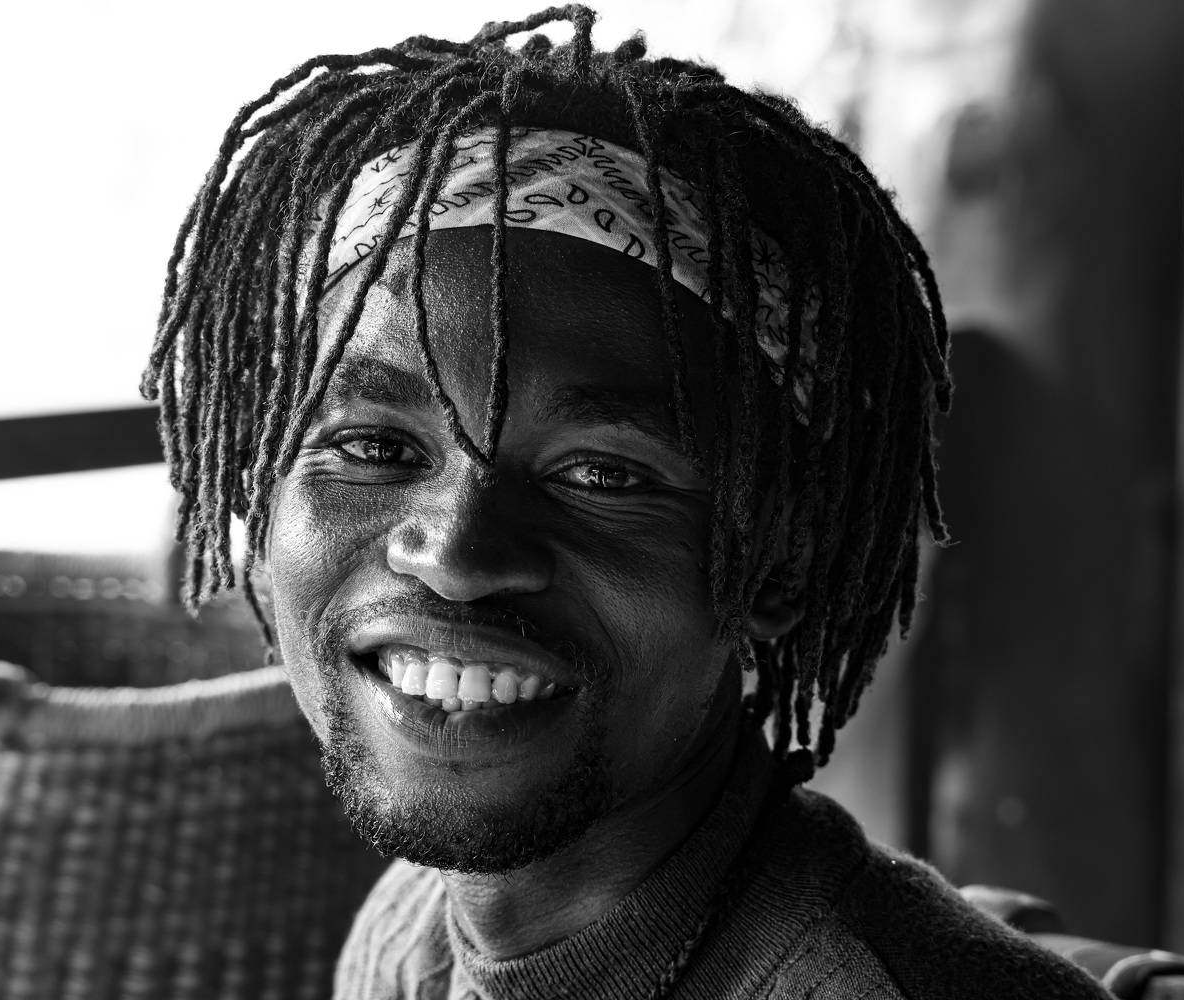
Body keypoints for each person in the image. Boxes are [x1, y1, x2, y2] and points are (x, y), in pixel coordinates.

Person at [141, 7, 1111, 998]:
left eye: (601, 474)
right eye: (375, 447)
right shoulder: (412, 930)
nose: (459, 555)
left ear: (781, 555)